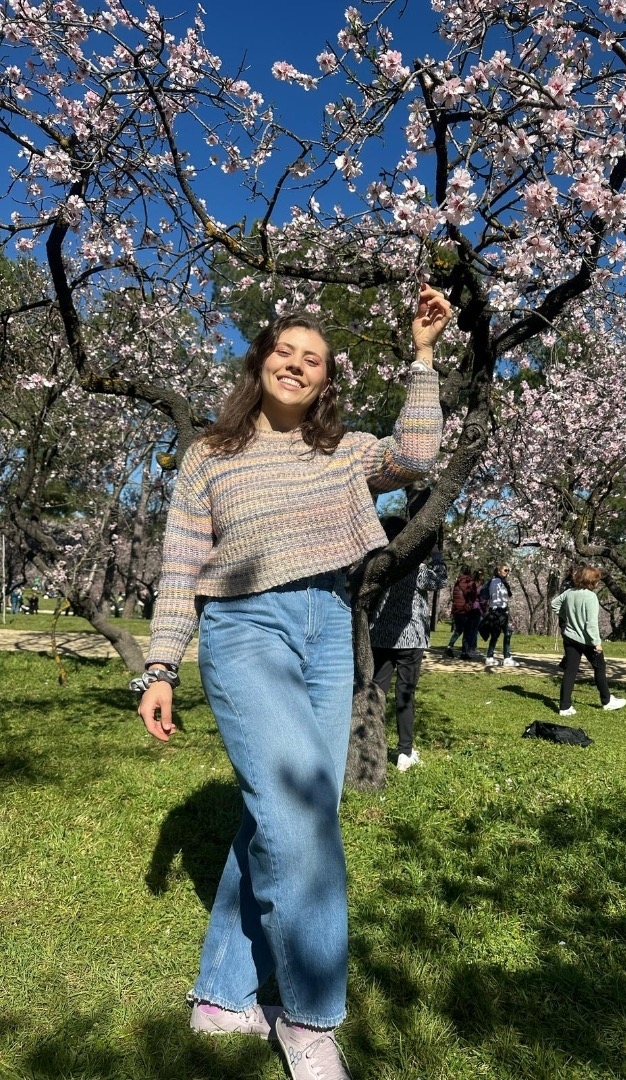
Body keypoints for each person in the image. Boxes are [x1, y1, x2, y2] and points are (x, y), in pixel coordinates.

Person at [133, 285, 451, 1078]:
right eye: (286, 351)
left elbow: (417, 455)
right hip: (245, 630)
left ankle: (221, 998)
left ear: (324, 380)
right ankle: (310, 1019)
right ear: (261, 362)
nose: (298, 365)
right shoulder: (210, 455)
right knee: (301, 818)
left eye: (314, 360)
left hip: (329, 629)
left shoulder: (342, 451)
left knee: (287, 815)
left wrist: (422, 357)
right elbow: (180, 565)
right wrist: (161, 665)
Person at [370, 517, 448, 771]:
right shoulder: (415, 568)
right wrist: (436, 554)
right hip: (410, 638)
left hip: (380, 636)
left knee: (377, 691)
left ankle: (369, 741)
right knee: (405, 693)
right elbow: (441, 580)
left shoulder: (377, 565)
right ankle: (405, 751)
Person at [554, 565, 626, 716]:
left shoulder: (569, 592)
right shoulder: (591, 597)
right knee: (600, 667)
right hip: (586, 640)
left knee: (570, 670)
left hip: (570, 637)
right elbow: (591, 624)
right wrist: (596, 643)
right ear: (592, 582)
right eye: (597, 580)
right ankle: (607, 701)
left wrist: (565, 616)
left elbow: (554, 604)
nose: (598, 583)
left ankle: (564, 707)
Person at [482, 563, 520, 667]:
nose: (507, 572)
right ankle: (505, 657)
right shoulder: (496, 582)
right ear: (499, 571)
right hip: (498, 610)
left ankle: (490, 657)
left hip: (500, 610)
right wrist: (499, 609)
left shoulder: (501, 582)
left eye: (508, 570)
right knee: (506, 632)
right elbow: (496, 597)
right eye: (505, 570)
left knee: (496, 634)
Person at [444, 565, 480, 660]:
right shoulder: (470, 583)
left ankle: (449, 647)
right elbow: (473, 597)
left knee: (458, 630)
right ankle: (464, 652)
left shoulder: (457, 582)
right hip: (465, 610)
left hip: (456, 609)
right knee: (467, 632)